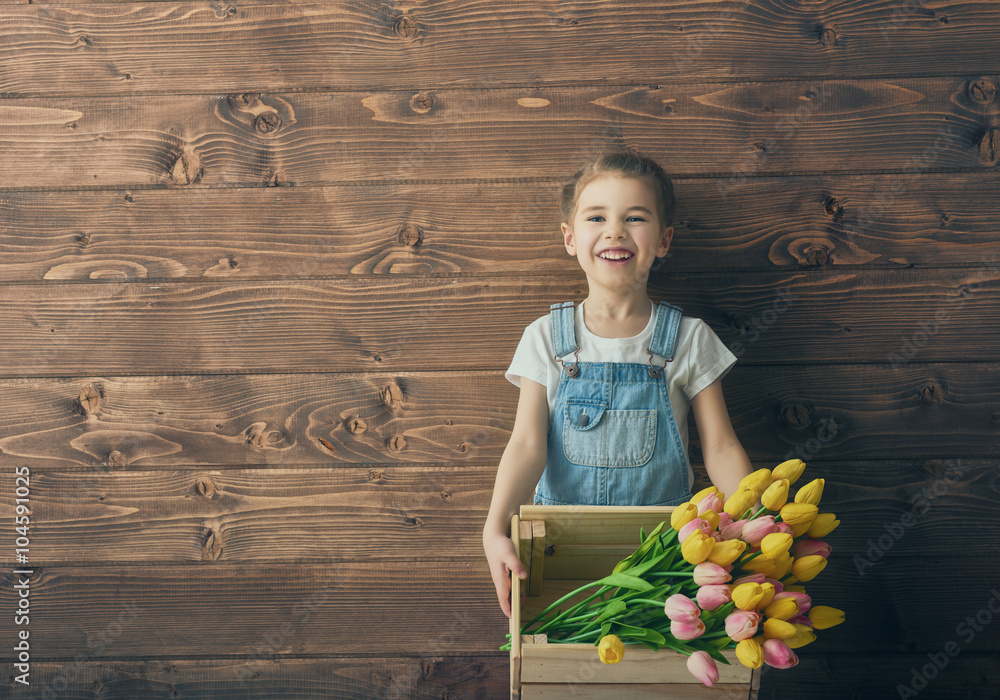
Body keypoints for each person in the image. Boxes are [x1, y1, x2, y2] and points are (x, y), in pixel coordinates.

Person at [482, 151, 754, 617]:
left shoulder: (690, 338)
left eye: (634, 217)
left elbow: (722, 448)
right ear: (570, 238)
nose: (615, 230)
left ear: (664, 240)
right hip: (558, 555)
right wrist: (494, 529)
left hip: (667, 556)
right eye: (596, 217)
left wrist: (755, 529)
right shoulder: (545, 337)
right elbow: (527, 444)